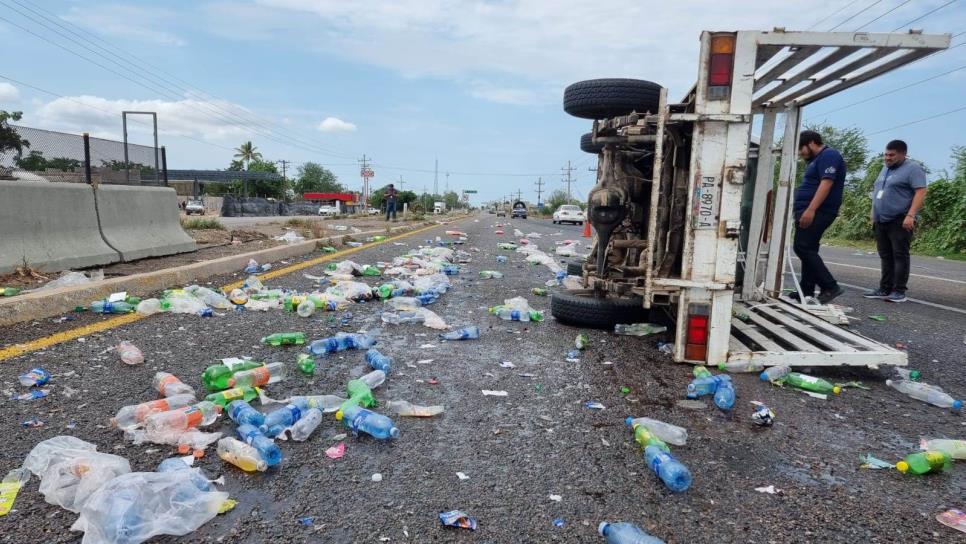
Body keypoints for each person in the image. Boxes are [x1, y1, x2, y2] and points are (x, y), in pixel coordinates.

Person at [863, 140, 927, 303]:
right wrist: (873, 214)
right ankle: (885, 288)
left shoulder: (913, 168)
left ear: (903, 154)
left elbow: (920, 192)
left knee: (900, 255)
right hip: (881, 220)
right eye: (886, 154)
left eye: (891, 155)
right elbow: (878, 191)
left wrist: (911, 215)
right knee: (885, 255)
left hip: (900, 219)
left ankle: (899, 291)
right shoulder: (885, 168)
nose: (887, 158)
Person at [792, 130, 846, 304]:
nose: (800, 153)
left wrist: (810, 210)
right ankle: (806, 290)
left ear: (811, 143)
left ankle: (829, 286)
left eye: (801, 148)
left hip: (819, 211)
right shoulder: (817, 160)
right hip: (811, 209)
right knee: (809, 248)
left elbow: (827, 183)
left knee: (802, 247)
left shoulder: (829, 155)